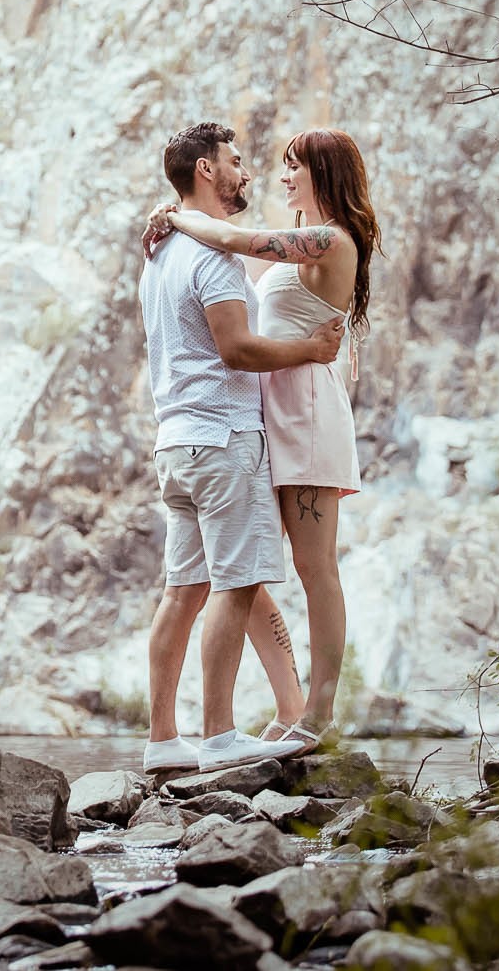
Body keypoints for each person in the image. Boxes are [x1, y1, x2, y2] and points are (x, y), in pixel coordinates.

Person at [147, 127, 380, 756]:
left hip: (303, 413)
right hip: (260, 417)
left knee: (314, 566)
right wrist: (177, 219)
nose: (281, 177)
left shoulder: (329, 239)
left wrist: (174, 214)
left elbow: (232, 238)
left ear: (322, 174)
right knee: (242, 572)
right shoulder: (300, 242)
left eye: (293, 166)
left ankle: (320, 712)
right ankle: (290, 706)